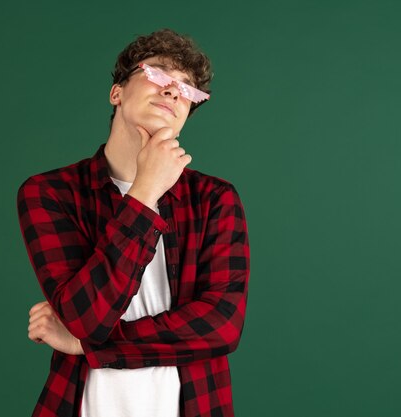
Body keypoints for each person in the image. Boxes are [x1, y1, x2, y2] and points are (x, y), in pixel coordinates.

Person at [16, 28, 250, 417]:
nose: (174, 91)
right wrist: (144, 192)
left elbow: (220, 326)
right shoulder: (50, 193)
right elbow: (85, 318)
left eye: (187, 90)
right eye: (158, 74)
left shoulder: (215, 199)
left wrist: (88, 346)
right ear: (117, 93)